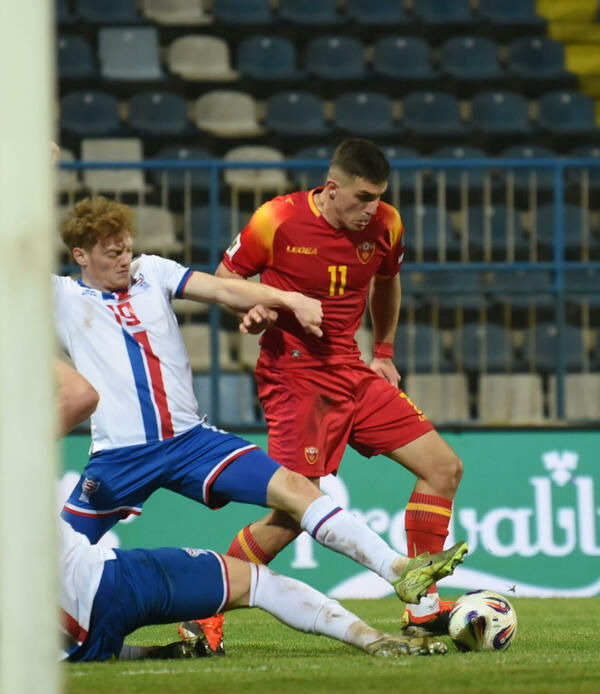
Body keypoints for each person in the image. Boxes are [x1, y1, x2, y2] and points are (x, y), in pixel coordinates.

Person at [51, 196, 466, 655]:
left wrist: (283, 299)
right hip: (120, 458)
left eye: (127, 248)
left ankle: (397, 570)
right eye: (113, 253)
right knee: (46, 561)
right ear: (80, 255)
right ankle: (5, 636)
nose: (124, 259)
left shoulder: (152, 271)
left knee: (296, 489)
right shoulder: (60, 296)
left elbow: (224, 289)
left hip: (192, 442)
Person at [0, 377, 450, 666]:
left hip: (50, 649)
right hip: (108, 587)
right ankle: (372, 639)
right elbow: (81, 395)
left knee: (76, 635)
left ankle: (159, 652)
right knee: (257, 582)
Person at [212, 138, 465, 640]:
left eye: (378, 197)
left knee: (443, 469)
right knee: (290, 516)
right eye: (363, 197)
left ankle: (423, 607)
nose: (372, 208)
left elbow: (388, 281)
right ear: (331, 189)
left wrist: (384, 351)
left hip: (351, 369)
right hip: (294, 377)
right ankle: (202, 613)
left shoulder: (387, 224)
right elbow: (224, 278)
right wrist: (253, 307)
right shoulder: (276, 219)